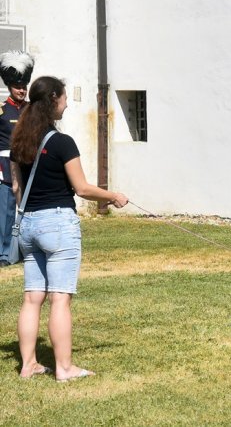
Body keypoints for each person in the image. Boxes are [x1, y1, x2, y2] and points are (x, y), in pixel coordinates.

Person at [11, 76, 128, 381]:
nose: (66, 102)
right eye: (64, 97)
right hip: (57, 223)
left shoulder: (20, 142)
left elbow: (16, 189)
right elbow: (82, 188)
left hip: (29, 225)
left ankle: (28, 364)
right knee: (60, 298)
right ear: (53, 99)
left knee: (31, 298)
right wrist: (113, 196)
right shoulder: (62, 143)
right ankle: (63, 368)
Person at [0, 51, 34, 266]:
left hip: (28, 165)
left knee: (27, 210)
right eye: (17, 86)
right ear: (10, 87)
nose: (21, 90)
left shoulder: (32, 110)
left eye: (24, 86)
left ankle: (23, 250)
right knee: (6, 210)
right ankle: (3, 253)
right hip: (4, 166)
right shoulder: (1, 110)